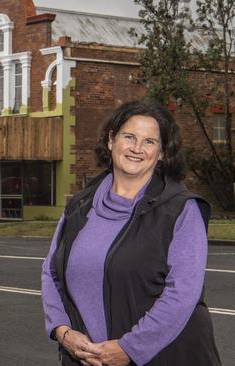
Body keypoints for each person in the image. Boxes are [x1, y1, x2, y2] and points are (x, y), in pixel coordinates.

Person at [41, 100, 221, 366]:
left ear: (162, 153)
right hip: (87, 359)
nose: (137, 148)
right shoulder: (79, 206)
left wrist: (129, 348)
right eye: (129, 137)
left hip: (167, 358)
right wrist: (62, 330)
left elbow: (182, 294)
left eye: (149, 142)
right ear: (111, 140)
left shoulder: (181, 209)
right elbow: (51, 272)